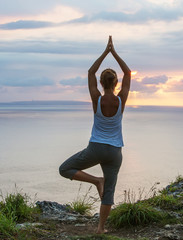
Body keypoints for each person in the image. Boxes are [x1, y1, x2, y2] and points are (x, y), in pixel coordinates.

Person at [59, 36, 131, 234]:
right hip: (115, 151)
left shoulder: (96, 99)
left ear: (100, 82)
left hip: (96, 148)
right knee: (109, 192)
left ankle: (95, 180)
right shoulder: (121, 100)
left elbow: (90, 71)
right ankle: (101, 229)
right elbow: (127, 72)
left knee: (65, 169)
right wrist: (114, 52)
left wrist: (105, 52)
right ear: (116, 83)